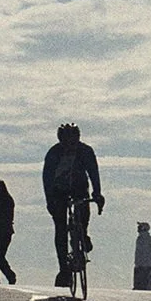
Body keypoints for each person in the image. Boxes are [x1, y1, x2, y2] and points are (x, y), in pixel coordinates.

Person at [42, 122, 103, 288]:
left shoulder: (86, 151)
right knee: (60, 228)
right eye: (66, 142)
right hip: (59, 192)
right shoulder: (54, 153)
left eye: (73, 142)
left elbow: (93, 173)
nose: (70, 145)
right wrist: (49, 201)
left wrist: (97, 194)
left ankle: (83, 234)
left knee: (83, 215)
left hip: (79, 189)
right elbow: (47, 179)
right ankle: (63, 268)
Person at [133, 221, 151, 291]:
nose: (138, 228)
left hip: (143, 265)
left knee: (143, 284)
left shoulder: (145, 239)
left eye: (140, 227)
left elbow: (145, 254)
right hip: (141, 265)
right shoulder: (143, 238)